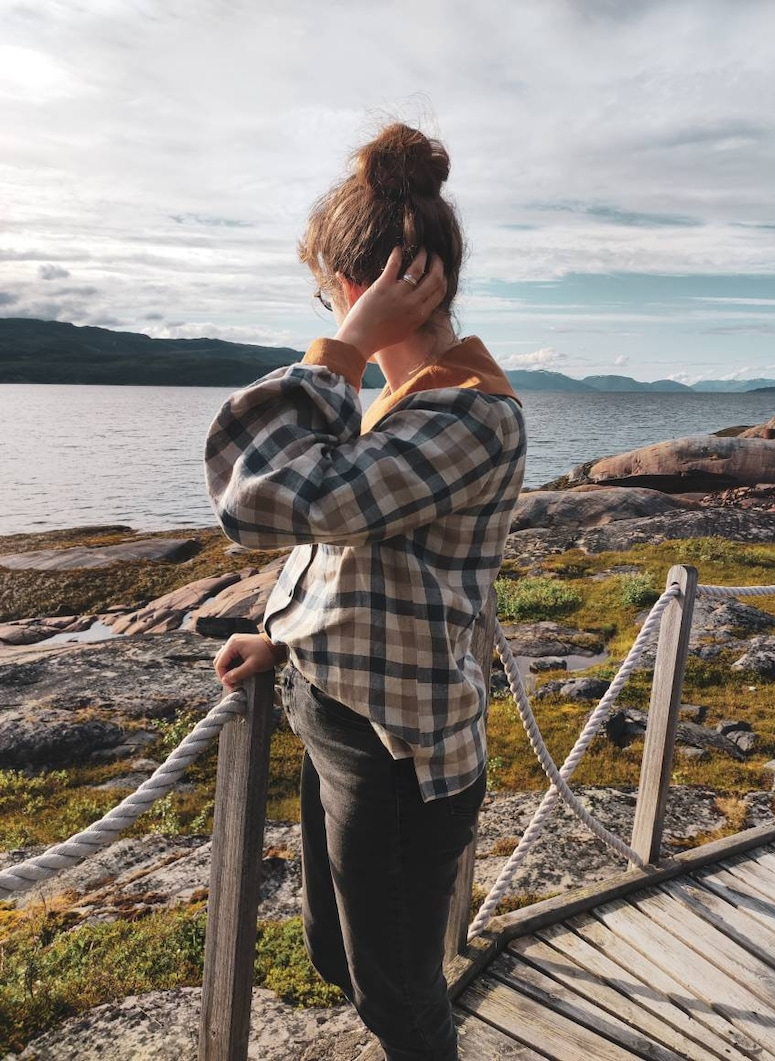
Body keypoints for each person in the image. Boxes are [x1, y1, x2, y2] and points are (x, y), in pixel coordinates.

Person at [206, 122, 527, 1061]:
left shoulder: (469, 414)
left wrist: (340, 345)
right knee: (339, 957)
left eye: (326, 293)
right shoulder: (403, 407)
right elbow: (345, 551)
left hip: (398, 757)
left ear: (364, 286)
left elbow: (262, 502)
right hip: (334, 714)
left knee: (398, 994)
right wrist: (286, 638)